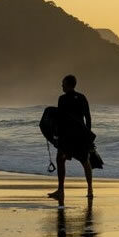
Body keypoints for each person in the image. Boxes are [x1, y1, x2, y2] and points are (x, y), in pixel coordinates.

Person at [48, 74, 94, 202]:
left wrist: (56, 135)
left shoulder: (62, 99)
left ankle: (61, 190)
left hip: (67, 136)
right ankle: (90, 190)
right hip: (80, 135)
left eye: (63, 83)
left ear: (68, 85)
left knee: (61, 160)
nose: (61, 85)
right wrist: (88, 134)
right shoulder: (82, 97)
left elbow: (60, 119)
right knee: (85, 162)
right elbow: (88, 118)